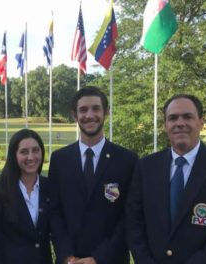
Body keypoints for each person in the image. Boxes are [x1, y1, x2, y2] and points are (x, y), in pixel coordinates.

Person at [127, 94, 206, 264]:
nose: (180, 123)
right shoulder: (146, 167)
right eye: (173, 118)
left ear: (201, 122)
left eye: (187, 117)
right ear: (165, 126)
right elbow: (134, 224)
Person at [48, 86, 138, 264]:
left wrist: (98, 258)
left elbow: (130, 216)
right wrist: (68, 257)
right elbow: (54, 213)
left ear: (106, 112)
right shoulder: (60, 159)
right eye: (83, 110)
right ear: (75, 115)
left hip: (111, 260)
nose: (89, 115)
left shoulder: (127, 160)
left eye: (96, 108)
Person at [0, 129, 52, 264]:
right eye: (24, 152)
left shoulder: (50, 188)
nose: (31, 157)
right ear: (14, 155)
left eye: (35, 150)